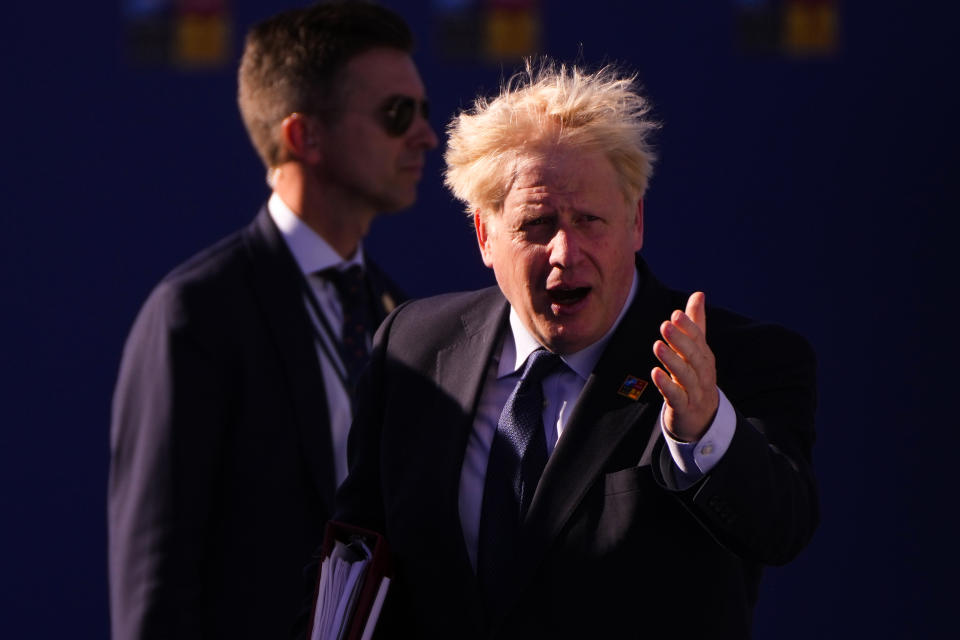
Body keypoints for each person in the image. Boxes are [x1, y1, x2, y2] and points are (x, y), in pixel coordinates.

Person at [333, 59, 818, 638]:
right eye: (536, 223)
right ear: (485, 236)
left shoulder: (734, 362)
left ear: (635, 222)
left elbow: (780, 529)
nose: (565, 251)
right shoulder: (413, 349)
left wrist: (705, 431)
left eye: (591, 220)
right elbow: (355, 556)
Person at [107, 2, 438, 638]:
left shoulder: (401, 316)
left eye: (421, 112)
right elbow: (156, 584)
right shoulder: (197, 315)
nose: (425, 135)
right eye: (398, 114)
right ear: (302, 136)